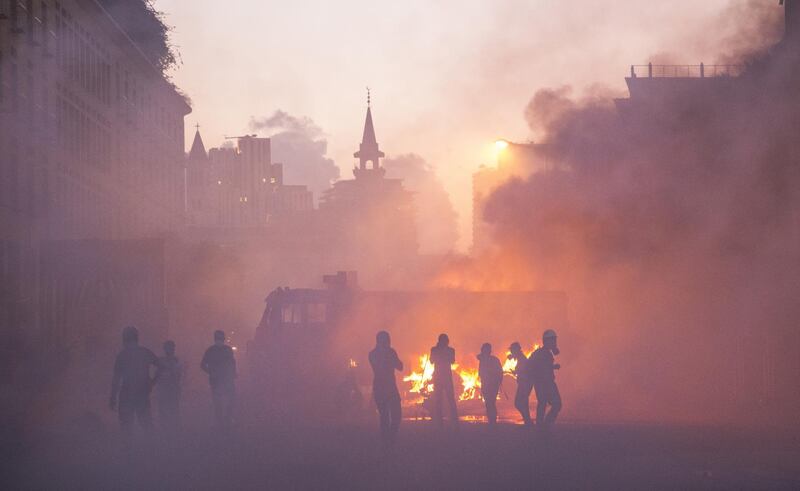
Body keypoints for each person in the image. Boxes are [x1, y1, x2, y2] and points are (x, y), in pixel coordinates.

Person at [109, 326, 160, 435]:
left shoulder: (122, 355)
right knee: (146, 423)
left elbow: (116, 379)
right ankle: (153, 448)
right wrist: (152, 382)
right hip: (141, 393)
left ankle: (130, 450)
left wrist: (113, 397)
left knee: (127, 426)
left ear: (125, 338)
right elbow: (161, 366)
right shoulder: (144, 352)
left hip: (127, 393)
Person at [368, 331, 403, 445]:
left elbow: (400, 367)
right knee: (384, 416)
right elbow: (379, 368)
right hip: (380, 387)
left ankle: (391, 437)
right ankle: (386, 442)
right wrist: (387, 357)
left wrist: (393, 358)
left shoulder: (391, 352)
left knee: (397, 415)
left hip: (391, 387)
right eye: (386, 340)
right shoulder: (373, 354)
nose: (388, 342)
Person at [201, 330, 237, 428]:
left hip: (225, 379)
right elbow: (203, 365)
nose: (219, 340)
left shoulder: (225, 350)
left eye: (220, 338)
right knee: (218, 401)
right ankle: (220, 420)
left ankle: (226, 418)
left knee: (230, 399)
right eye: (218, 338)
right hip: (217, 380)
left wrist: (233, 373)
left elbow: (232, 363)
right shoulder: (211, 350)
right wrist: (211, 372)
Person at [529, 329, 562, 431]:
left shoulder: (544, 353)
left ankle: (541, 426)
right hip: (545, 383)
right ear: (547, 341)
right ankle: (545, 425)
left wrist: (552, 367)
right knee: (556, 404)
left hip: (542, 383)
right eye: (553, 340)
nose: (554, 343)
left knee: (543, 403)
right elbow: (539, 369)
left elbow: (543, 367)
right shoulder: (542, 354)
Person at [429, 333, 458, 427]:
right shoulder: (450, 350)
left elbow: (431, 361)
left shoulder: (435, 349)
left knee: (440, 398)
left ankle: (441, 419)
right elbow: (452, 361)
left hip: (440, 376)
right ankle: (453, 418)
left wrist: (436, 353)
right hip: (444, 376)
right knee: (448, 398)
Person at [156, 340, 182, 431]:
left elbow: (178, 375)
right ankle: (164, 426)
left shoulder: (176, 360)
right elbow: (157, 374)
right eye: (170, 347)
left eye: (172, 347)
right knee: (163, 407)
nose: (171, 349)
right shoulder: (160, 360)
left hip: (173, 387)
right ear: (165, 349)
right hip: (164, 388)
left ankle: (174, 427)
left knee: (173, 407)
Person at [477, 343, 503, 425]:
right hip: (491, 385)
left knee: (489, 403)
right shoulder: (494, 360)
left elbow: (481, 373)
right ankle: (492, 421)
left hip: (489, 385)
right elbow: (500, 373)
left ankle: (492, 421)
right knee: (490, 402)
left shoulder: (485, 360)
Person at [508, 342, 533, 426]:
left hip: (525, 384)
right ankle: (527, 421)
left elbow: (522, 370)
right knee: (523, 403)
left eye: (512, 350)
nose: (511, 352)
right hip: (525, 383)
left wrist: (515, 371)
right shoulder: (520, 357)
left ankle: (527, 419)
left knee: (518, 403)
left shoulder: (522, 359)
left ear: (516, 350)